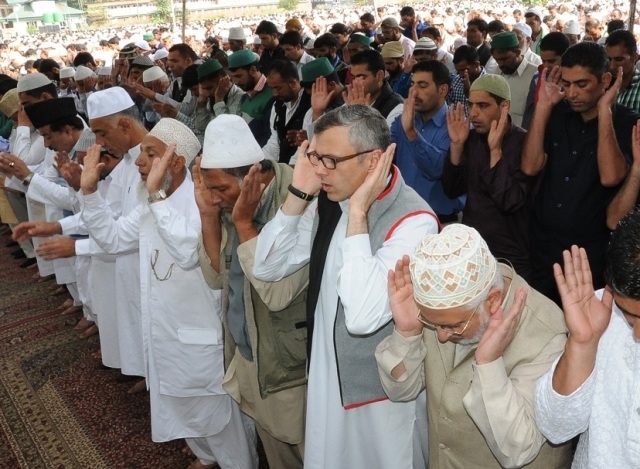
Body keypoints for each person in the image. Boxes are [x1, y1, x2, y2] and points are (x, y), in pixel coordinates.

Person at [252, 105, 438, 469]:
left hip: (379, 399)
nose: (319, 169)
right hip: (324, 376)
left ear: (373, 162)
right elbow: (268, 266)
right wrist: (298, 194)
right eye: (315, 157)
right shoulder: (330, 197)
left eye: (330, 160)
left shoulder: (415, 222)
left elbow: (363, 316)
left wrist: (358, 214)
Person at [78, 118, 258, 469]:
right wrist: (89, 192)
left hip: (201, 336)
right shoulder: (150, 203)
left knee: (221, 421)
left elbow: (189, 252)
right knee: (184, 410)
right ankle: (207, 457)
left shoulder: (203, 202)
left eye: (150, 153)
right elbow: (113, 239)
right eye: (142, 152)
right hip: (165, 335)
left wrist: (157, 197)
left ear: (176, 163)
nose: (140, 161)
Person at [375, 224, 572, 467]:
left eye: (453, 326)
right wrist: (407, 331)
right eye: (431, 323)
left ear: (492, 300)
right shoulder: (439, 310)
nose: (441, 337)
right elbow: (400, 391)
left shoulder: (546, 334)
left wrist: (489, 365)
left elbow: (518, 450)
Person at [195, 115, 307, 469]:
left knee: (307, 450)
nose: (215, 199)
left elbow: (276, 292)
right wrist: (209, 216)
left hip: (290, 366)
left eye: (220, 190)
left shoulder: (300, 201)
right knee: (275, 453)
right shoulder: (231, 202)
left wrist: (243, 224)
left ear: (254, 178)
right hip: (250, 355)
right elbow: (217, 278)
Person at [521, 42, 638, 305]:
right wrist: (542, 106)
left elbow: (610, 176)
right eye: (567, 83)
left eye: (581, 84)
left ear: (605, 80)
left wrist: (605, 110)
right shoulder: (557, 112)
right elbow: (529, 166)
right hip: (543, 246)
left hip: (591, 254)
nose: (572, 92)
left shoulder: (627, 123)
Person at [534, 215, 640, 468]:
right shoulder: (599, 310)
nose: (637, 333)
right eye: (630, 316)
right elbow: (556, 427)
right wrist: (583, 344)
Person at [443, 74, 534, 280]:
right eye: (471, 105)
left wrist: (495, 152)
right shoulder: (471, 139)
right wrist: (456, 146)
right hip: (474, 249)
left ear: (504, 106)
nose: (473, 113)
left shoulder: (524, 143)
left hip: (511, 255)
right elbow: (451, 190)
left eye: (483, 106)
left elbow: (510, 202)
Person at [391, 60, 464, 224]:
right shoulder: (403, 120)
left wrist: (412, 133)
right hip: (401, 218)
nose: (414, 92)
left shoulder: (458, 126)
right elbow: (381, 151)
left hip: (441, 223)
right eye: (412, 84)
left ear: (443, 90)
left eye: (422, 86)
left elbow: (436, 170)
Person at [262, 60, 311, 164]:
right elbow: (274, 141)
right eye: (272, 88)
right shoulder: (277, 104)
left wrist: (287, 172)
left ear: (293, 83)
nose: (274, 93)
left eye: (278, 88)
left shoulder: (311, 104)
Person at [489, 32, 538, 127]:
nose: (501, 64)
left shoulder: (535, 75)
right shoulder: (497, 72)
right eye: (497, 60)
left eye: (505, 59)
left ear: (517, 53)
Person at [227, 49, 274, 147]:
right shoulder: (245, 95)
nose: (236, 82)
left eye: (239, 76)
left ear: (253, 70)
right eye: (233, 78)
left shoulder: (272, 94)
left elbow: (269, 138)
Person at [348, 49, 403, 127]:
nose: (356, 83)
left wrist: (360, 115)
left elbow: (382, 139)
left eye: (362, 77)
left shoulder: (397, 108)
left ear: (380, 76)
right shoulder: (352, 101)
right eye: (354, 78)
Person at [605, 30, 640, 113]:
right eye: (609, 59)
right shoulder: (603, 85)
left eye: (619, 59)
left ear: (634, 57)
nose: (612, 66)